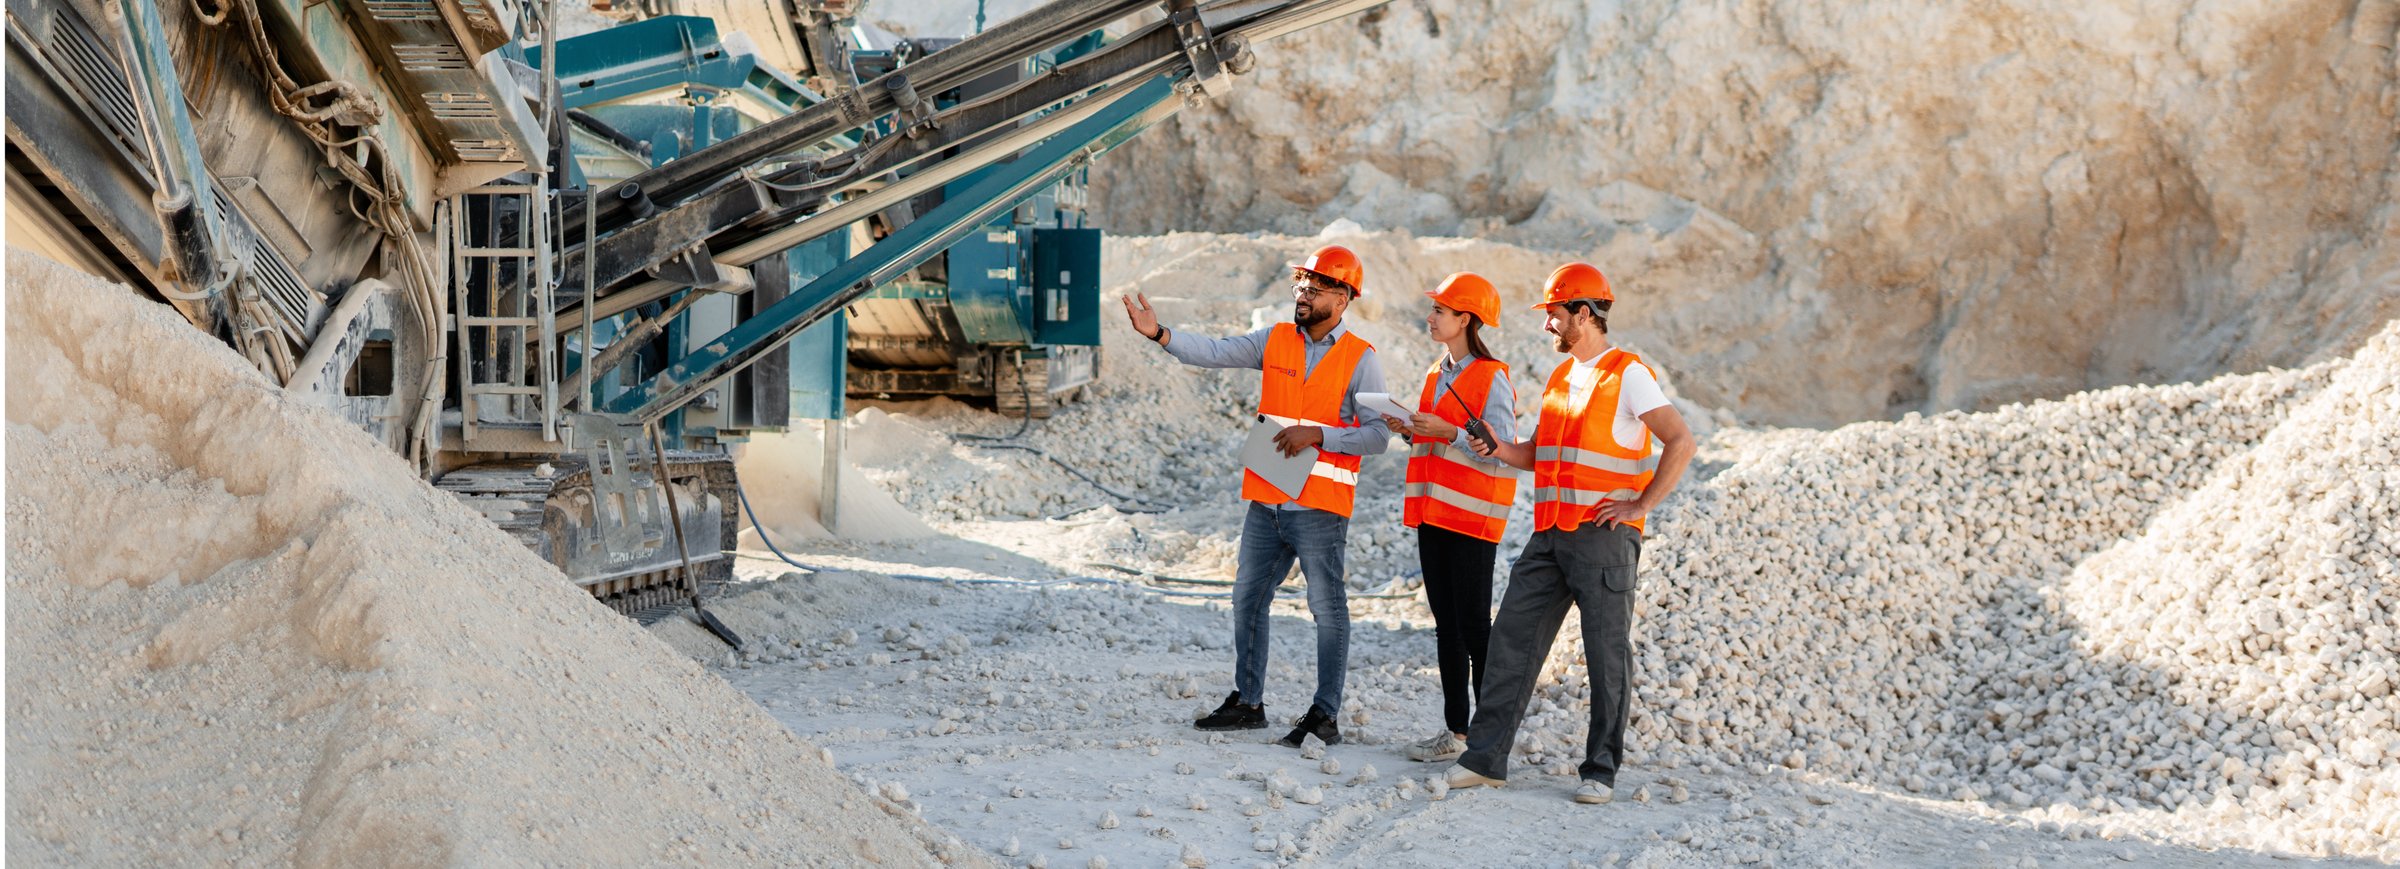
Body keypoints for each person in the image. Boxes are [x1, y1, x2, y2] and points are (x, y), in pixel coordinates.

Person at [1441, 262, 1696, 805]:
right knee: (1511, 640)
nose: (1547, 327)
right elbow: (1538, 454)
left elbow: (1681, 442)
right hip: (1549, 535)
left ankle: (1599, 771)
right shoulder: (1561, 378)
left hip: (1604, 538)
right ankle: (1485, 761)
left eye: (1554, 315)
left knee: (1606, 656)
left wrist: (1640, 504)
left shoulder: (1628, 373)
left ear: (1583, 314)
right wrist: (1496, 447)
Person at [1120, 244, 1393, 748]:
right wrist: (1160, 335)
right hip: (1267, 501)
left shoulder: (1362, 360)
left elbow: (1378, 436)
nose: (1303, 295)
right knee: (1247, 599)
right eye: (1301, 287)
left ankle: (1324, 715)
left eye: (1315, 289)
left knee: (1327, 610)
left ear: (1343, 297)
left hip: (1319, 507)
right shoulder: (1275, 341)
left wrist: (1320, 435)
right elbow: (1217, 351)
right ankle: (1249, 703)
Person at [1377, 272, 1519, 765]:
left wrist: (1451, 431)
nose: (1431, 317)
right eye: (1433, 309)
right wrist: (1409, 430)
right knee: (1446, 628)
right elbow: (1436, 440)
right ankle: (1457, 732)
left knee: (1476, 627)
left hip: (1473, 519)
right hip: (1436, 514)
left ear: (1466, 319)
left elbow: (1500, 452)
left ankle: (1489, 740)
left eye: (1441, 310)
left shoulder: (1491, 375)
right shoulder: (1436, 374)